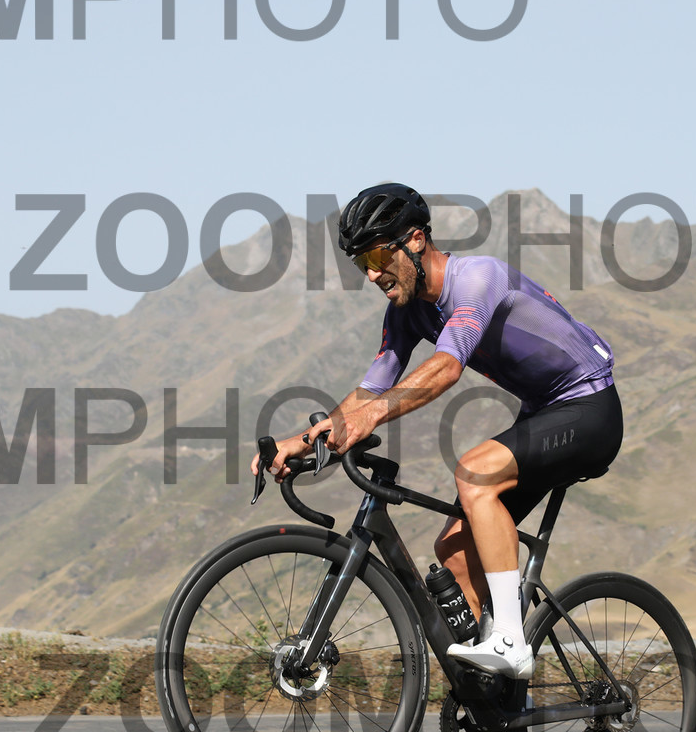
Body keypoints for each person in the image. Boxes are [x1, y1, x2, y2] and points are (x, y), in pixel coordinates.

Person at [252, 182, 622, 683]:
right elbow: (371, 388)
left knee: (474, 474)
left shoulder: (478, 279)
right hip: (543, 413)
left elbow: (447, 367)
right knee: (454, 551)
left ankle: (511, 642)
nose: (372, 274)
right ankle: (496, 702)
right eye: (362, 264)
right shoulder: (406, 312)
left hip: (590, 409)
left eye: (378, 256)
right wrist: (301, 441)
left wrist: (369, 419)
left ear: (416, 240)